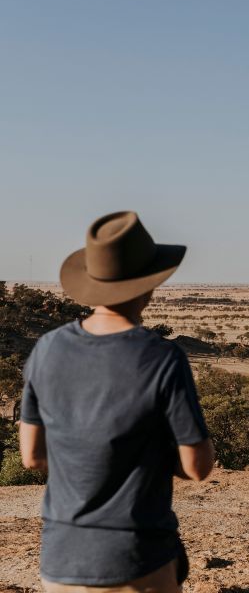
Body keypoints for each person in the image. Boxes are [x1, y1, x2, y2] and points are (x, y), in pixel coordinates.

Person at [19, 211, 214, 592]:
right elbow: (197, 466)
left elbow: (32, 457)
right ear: (150, 285)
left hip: (61, 559)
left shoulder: (47, 349)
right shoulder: (161, 358)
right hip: (136, 558)